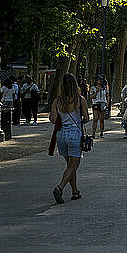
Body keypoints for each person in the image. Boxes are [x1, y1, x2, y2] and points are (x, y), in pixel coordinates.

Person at [51, 72, 90, 204]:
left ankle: (75, 191)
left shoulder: (57, 101)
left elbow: (53, 119)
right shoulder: (80, 100)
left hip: (61, 134)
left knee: (70, 165)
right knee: (73, 166)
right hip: (74, 133)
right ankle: (60, 187)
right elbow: (86, 118)